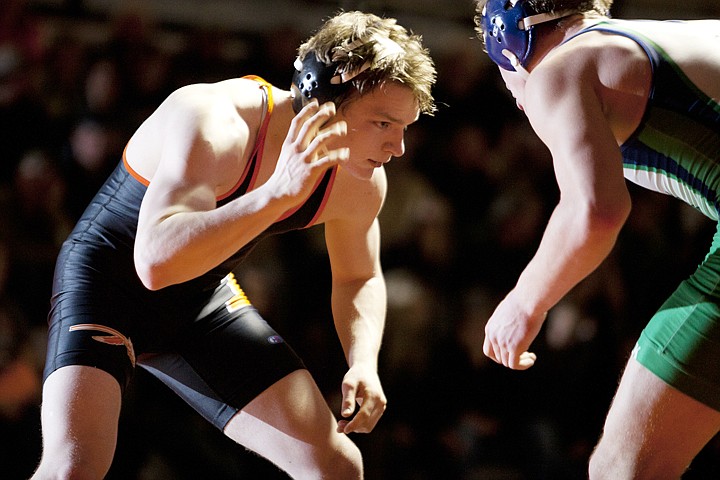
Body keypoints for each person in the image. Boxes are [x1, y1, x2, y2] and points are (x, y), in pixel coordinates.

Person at [31, 10, 436, 480]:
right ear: (322, 97)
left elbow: (358, 274)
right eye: (384, 123)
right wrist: (275, 194)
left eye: (404, 127)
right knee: (74, 466)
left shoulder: (360, 182)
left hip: (201, 296)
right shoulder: (214, 120)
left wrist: (363, 360)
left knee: (336, 467)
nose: (398, 148)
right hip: (108, 285)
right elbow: (155, 263)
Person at [473, 0, 720, 478]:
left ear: (509, 42)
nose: (520, 103)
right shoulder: (690, 35)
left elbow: (595, 211)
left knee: (624, 468)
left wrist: (525, 303)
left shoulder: (559, 70)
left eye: (507, 84)